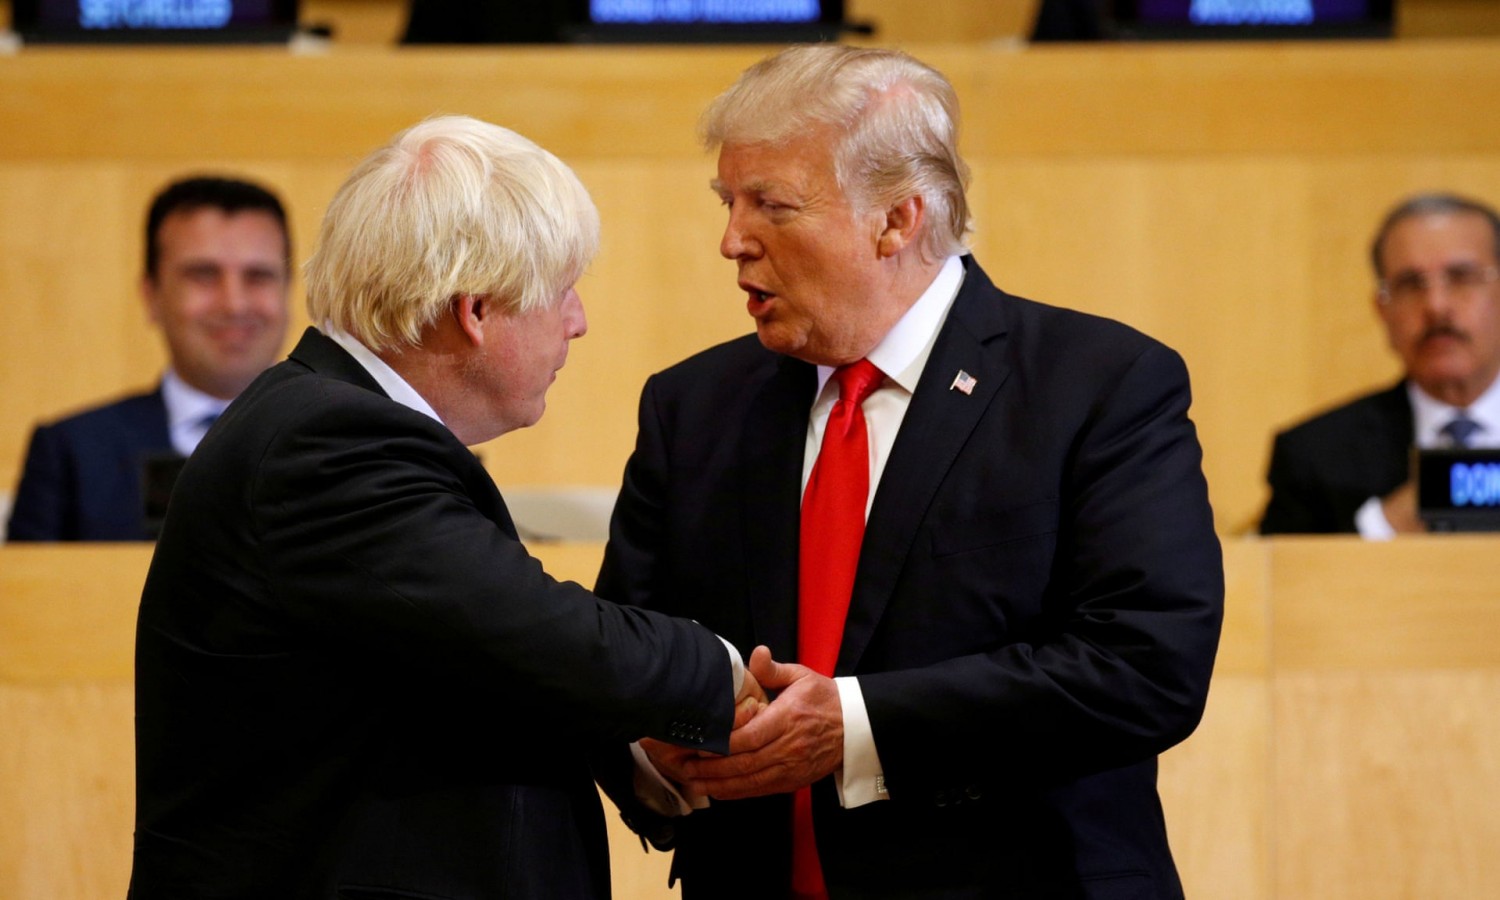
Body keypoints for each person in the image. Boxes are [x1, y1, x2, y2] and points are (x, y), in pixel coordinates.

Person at [595, 46, 1224, 900]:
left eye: (770, 205)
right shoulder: (692, 406)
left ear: (896, 220)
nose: (730, 241)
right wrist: (653, 752)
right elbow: (627, 654)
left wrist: (857, 726)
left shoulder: (1098, 386)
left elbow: (1145, 667)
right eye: (728, 202)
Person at [127, 115, 763, 900]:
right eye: (563, 291)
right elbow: (539, 633)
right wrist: (731, 673)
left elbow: (474, 664)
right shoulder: (329, 443)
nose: (578, 320)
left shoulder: (330, 423)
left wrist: (635, 746)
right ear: (477, 311)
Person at [6, 175, 291, 541]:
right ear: (151, 295)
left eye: (258, 276)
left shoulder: (342, 444)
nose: (234, 303)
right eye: (203, 275)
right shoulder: (71, 453)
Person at [1259, 192, 1500, 536]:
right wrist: (1382, 526)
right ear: (1382, 311)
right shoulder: (1315, 456)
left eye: (1461, 277)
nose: (1436, 305)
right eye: (1410, 284)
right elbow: (1284, 582)